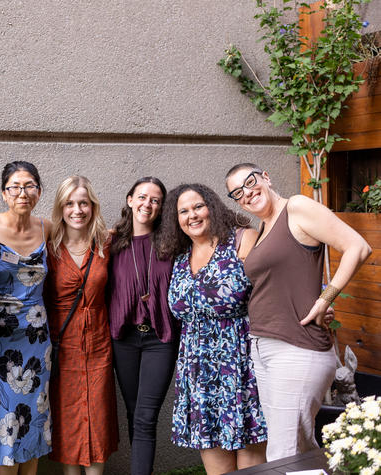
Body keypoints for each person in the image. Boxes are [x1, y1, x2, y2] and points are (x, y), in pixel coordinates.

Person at [225, 163, 371, 461]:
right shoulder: (264, 228)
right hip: (264, 347)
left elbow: (357, 246)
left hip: (297, 347)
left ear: (266, 176)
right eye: (237, 193)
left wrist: (325, 299)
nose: (247, 193)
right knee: (300, 447)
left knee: (282, 451)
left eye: (250, 182)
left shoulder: (297, 207)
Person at [156, 183, 267, 475]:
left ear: (212, 208)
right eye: (183, 211)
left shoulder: (242, 241)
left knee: (250, 459)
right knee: (215, 463)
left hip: (240, 365)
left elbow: (276, 288)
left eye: (198, 206)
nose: (192, 215)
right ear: (175, 219)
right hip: (198, 370)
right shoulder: (179, 258)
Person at [0, 161, 52, 474]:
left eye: (30, 185)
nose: (23, 193)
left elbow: (84, 235)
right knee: (5, 420)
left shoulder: (47, 227)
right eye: (15, 187)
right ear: (4, 193)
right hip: (1, 341)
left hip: (38, 342)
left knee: (33, 416)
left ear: (38, 191)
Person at [44, 176, 118, 475]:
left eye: (83, 203)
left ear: (92, 206)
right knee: (68, 418)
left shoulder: (107, 245)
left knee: (98, 417)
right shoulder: (48, 248)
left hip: (99, 344)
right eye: (70, 203)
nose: (77, 210)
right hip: (62, 345)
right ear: (60, 207)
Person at [107, 177, 179, 475]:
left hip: (160, 340)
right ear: (129, 200)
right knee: (134, 413)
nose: (147, 204)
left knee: (146, 417)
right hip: (123, 339)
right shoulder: (111, 243)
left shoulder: (173, 243)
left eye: (155, 200)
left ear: (161, 207)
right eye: (142, 197)